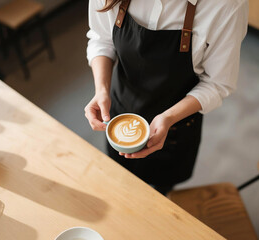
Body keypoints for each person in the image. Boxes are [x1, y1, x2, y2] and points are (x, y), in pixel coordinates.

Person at [84, 0, 248, 195]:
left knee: (160, 194)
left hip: (175, 130)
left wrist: (168, 118)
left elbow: (218, 83)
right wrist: (102, 89)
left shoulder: (226, 5)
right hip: (120, 113)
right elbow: (102, 39)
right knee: (121, 183)